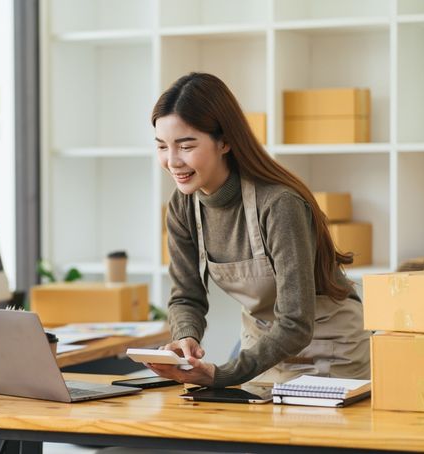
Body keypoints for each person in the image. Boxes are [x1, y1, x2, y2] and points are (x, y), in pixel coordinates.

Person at [147, 72, 370, 388]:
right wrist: (186, 340)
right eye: (161, 147)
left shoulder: (279, 204)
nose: (172, 162)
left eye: (185, 146)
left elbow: (295, 322)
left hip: (329, 348)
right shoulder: (183, 206)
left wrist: (224, 374)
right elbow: (186, 296)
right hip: (261, 348)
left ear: (224, 141)